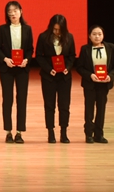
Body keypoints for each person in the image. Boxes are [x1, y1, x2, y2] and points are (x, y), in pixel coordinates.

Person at [0, 0, 34, 144]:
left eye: (15, 10)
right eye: (9, 11)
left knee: (22, 99)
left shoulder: (27, 29)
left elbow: (30, 49)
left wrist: (26, 60)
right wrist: (5, 59)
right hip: (7, 68)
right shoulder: (3, 29)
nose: (12, 13)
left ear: (21, 12)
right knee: (7, 99)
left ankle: (19, 132)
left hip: (22, 69)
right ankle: (8, 132)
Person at [35, 14, 76, 143]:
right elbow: (39, 56)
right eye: (54, 29)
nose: (57, 32)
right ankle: (51, 132)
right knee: (49, 105)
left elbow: (72, 56)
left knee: (64, 105)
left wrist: (67, 67)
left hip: (64, 77)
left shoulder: (69, 37)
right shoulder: (43, 37)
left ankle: (64, 132)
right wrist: (48, 69)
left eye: (59, 30)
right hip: (49, 77)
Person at [76, 25, 114, 143]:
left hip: (104, 84)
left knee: (101, 109)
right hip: (90, 84)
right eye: (94, 34)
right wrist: (90, 75)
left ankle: (99, 134)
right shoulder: (85, 49)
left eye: (99, 34)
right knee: (89, 110)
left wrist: (110, 76)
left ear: (103, 35)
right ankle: (89, 134)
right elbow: (79, 67)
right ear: (89, 36)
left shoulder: (111, 47)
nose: (97, 36)